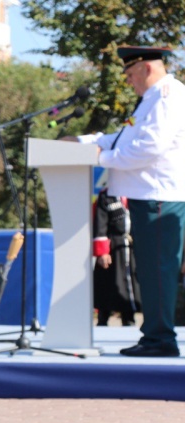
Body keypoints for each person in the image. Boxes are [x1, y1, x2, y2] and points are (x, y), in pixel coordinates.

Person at [72, 45, 185, 357]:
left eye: (132, 75)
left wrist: (101, 157)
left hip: (159, 196)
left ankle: (160, 339)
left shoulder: (167, 97)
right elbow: (124, 137)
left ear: (147, 69)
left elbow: (150, 148)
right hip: (147, 195)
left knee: (158, 271)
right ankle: (154, 336)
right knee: (149, 272)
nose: (130, 83)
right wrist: (84, 142)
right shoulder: (150, 99)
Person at [93, 187, 141, 326]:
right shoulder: (106, 195)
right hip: (112, 248)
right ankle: (103, 318)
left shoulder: (137, 191)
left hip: (131, 248)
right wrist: (102, 252)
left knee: (130, 284)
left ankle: (129, 317)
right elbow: (100, 224)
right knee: (107, 284)